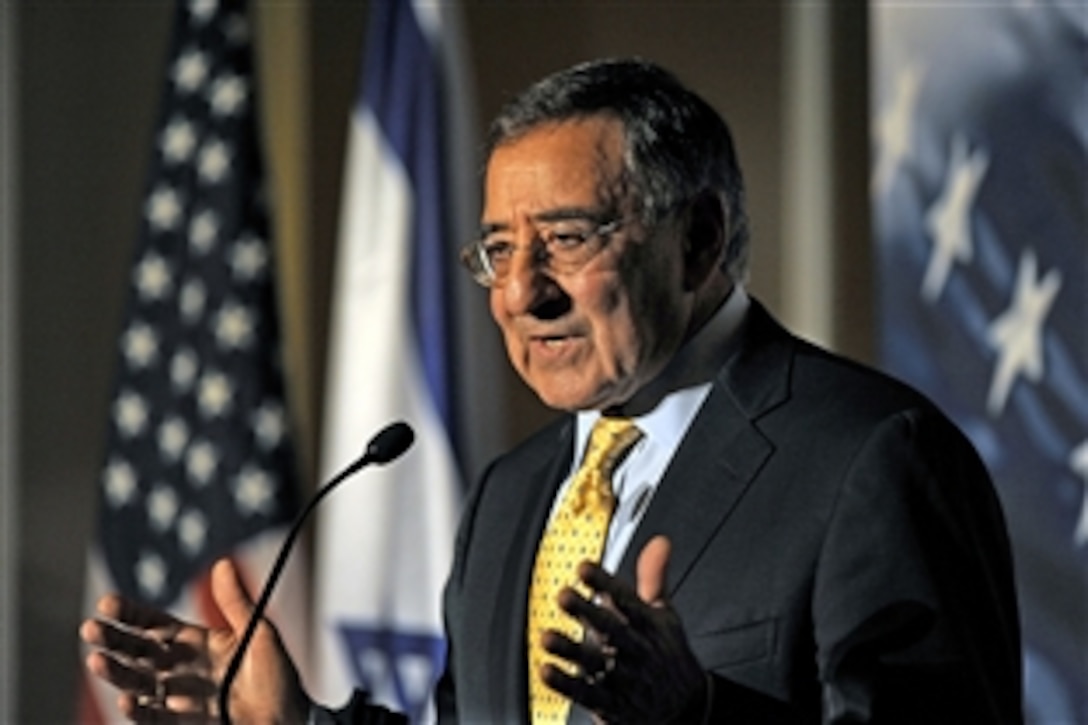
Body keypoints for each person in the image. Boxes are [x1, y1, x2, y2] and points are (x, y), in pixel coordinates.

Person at [81, 58, 1023, 723]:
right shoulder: (513, 493)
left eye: (568, 238)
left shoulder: (873, 455)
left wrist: (694, 717)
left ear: (696, 241)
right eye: (498, 251)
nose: (522, 293)